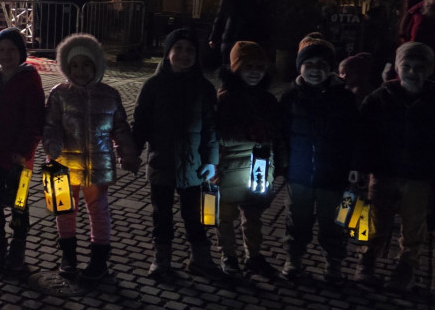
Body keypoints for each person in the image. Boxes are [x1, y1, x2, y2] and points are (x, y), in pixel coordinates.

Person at [354, 41, 435, 292]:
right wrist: (358, 166)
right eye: (406, 66)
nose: (412, 72)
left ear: (429, 70)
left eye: (419, 67)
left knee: (414, 223)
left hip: (419, 175)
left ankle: (406, 266)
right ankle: (366, 259)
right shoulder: (379, 98)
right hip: (383, 171)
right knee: (372, 218)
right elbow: (362, 135)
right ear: (397, 69)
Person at [43, 34, 139, 281]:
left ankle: (99, 259)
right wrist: (52, 144)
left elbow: (120, 127)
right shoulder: (59, 94)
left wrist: (128, 153)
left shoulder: (109, 95)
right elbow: (51, 124)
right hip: (62, 164)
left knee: (98, 210)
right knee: (64, 210)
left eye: (86, 65)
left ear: (97, 65)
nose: (80, 71)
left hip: (98, 166)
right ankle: (68, 255)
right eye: (75, 65)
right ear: (66, 67)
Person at [132, 28, 219, 279]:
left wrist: (212, 161)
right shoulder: (153, 86)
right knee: (162, 214)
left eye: (190, 50)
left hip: (194, 165)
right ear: (167, 52)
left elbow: (211, 128)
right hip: (161, 162)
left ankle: (200, 258)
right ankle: (162, 259)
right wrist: (133, 152)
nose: (184, 54)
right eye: (178, 48)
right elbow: (141, 123)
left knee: (195, 214)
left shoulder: (203, 88)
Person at [277, 38, 358, 284]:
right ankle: (294, 259)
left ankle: (334, 263)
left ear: (331, 68)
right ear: (299, 66)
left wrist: (355, 166)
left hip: (333, 175)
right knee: (296, 219)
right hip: (299, 175)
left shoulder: (344, 98)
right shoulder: (290, 97)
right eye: (309, 63)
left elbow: (355, 134)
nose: (315, 69)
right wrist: (281, 162)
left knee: (334, 222)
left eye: (322, 63)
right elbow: (281, 133)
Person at [0, 28, 44, 276]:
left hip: (20, 159)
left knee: (19, 204)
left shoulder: (29, 79)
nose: (6, 55)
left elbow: (34, 119)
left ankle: (18, 246)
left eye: (12, 50)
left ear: (21, 53)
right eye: (1, 50)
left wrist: (24, 150)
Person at [214, 41, 283, 279]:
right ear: (235, 68)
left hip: (258, 169)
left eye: (259, 66)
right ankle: (228, 256)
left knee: (253, 217)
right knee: (224, 217)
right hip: (229, 169)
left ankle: (254, 256)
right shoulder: (225, 99)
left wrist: (276, 162)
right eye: (247, 66)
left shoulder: (268, 100)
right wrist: (250, 139)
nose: (254, 71)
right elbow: (217, 136)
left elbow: (277, 134)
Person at [209, 0, 270, 67]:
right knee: (246, 65)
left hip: (231, 35)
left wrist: (213, 37)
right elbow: (262, 18)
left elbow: (220, 17)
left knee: (230, 66)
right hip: (250, 36)